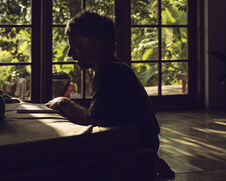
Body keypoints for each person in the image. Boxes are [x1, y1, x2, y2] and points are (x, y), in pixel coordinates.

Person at [45, 11, 175, 179]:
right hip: (144, 142)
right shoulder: (116, 66)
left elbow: (96, 120)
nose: (70, 54)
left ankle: (148, 164)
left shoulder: (109, 72)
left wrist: (63, 102)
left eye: (75, 47)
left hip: (139, 148)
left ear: (96, 45)